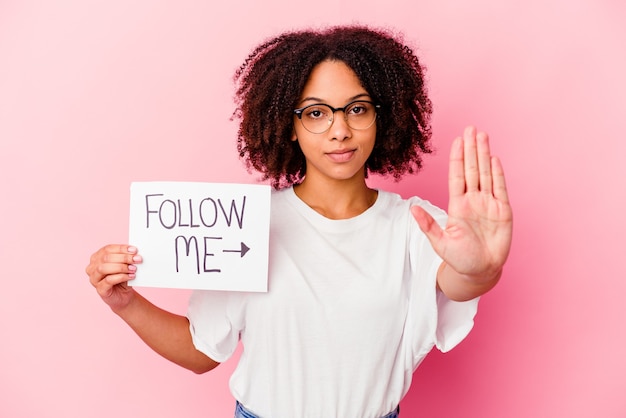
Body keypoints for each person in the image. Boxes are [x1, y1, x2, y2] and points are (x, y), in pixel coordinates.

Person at [86, 25, 512, 418]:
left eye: (357, 109)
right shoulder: (248, 223)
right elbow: (202, 351)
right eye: (315, 113)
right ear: (288, 125)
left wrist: (481, 268)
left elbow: (460, 278)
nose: (340, 130)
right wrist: (124, 302)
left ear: (381, 118)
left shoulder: (418, 225)